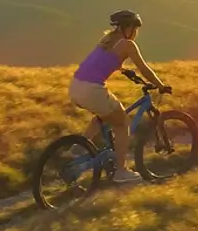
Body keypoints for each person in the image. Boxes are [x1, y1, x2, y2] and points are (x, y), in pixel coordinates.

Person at [68, 10, 170, 184]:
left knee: (103, 116)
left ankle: (78, 149)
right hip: (92, 90)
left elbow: (102, 61)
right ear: (128, 28)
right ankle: (121, 171)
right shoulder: (127, 44)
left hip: (76, 86)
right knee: (122, 123)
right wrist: (160, 85)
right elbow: (144, 68)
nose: (136, 33)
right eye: (135, 29)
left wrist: (124, 70)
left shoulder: (106, 40)